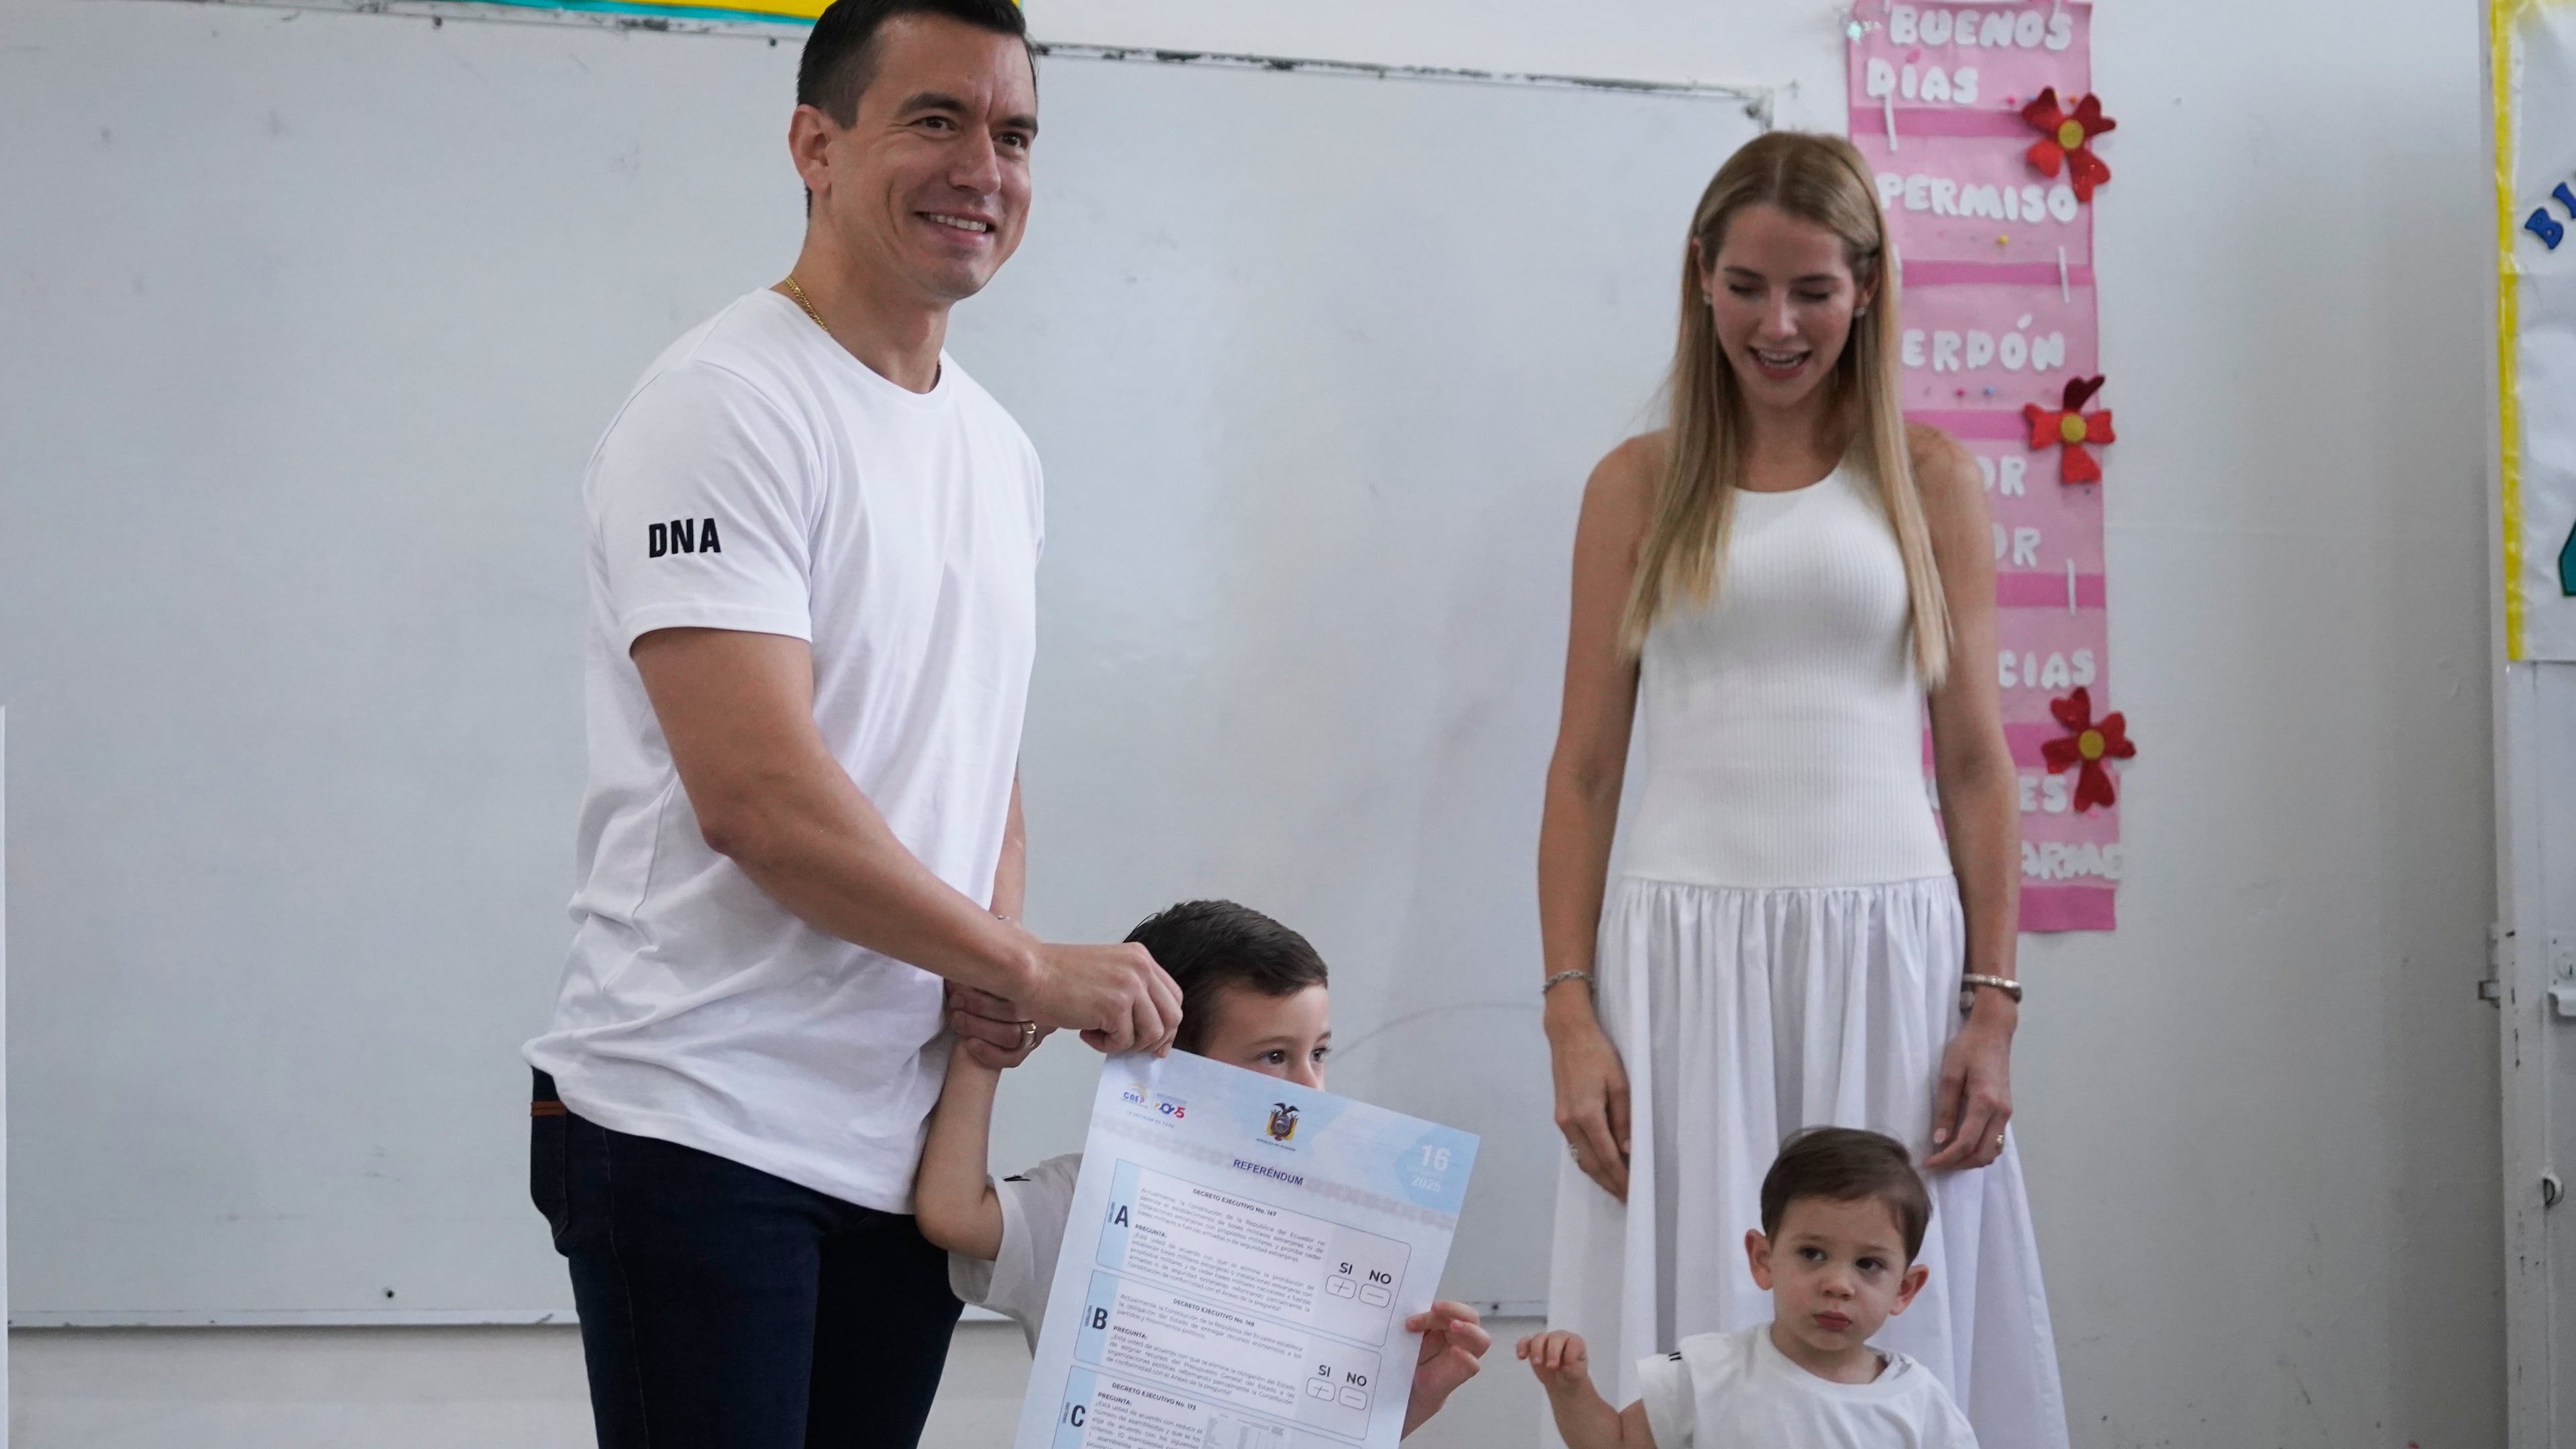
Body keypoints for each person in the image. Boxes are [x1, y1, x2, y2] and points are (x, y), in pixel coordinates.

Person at [521, 3, 1185, 1444]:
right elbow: (758, 799)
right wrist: (1026, 962)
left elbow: (977, 755)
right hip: (698, 1122)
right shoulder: (723, 407)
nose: (984, 170)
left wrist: (992, 997)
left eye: (1013, 134)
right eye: (935, 120)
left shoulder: (998, 451)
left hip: (895, 1146)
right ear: (815, 144)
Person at [1534, 130, 2068, 1448]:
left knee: (1879, 1296)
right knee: (1689, 1321)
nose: (1778, 325)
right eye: (1750, 286)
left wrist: (1992, 1008)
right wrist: (1569, 1017)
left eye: (1814, 290)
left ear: (1868, 288)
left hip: (1886, 947)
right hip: (1674, 955)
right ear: (1701, 279)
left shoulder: (1928, 479)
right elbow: (1587, 769)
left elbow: (1977, 763)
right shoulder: (1637, 486)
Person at [915, 899, 1492, 1438]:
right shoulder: (1089, 1198)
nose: (1310, 1090)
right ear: (1171, 1060)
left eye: (1318, 1053)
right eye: (1274, 1056)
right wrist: (985, 1045)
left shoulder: (1336, 1245)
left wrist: (1404, 1402)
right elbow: (953, 1213)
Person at [1517, 1128, 1977, 1449]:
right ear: (1763, 1259)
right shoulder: (1707, 1371)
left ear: (1905, 1288)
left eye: (1869, 1264)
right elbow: (1616, 1444)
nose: (1838, 1285)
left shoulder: (1920, 1404)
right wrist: (1570, 1389)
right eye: (1813, 1254)